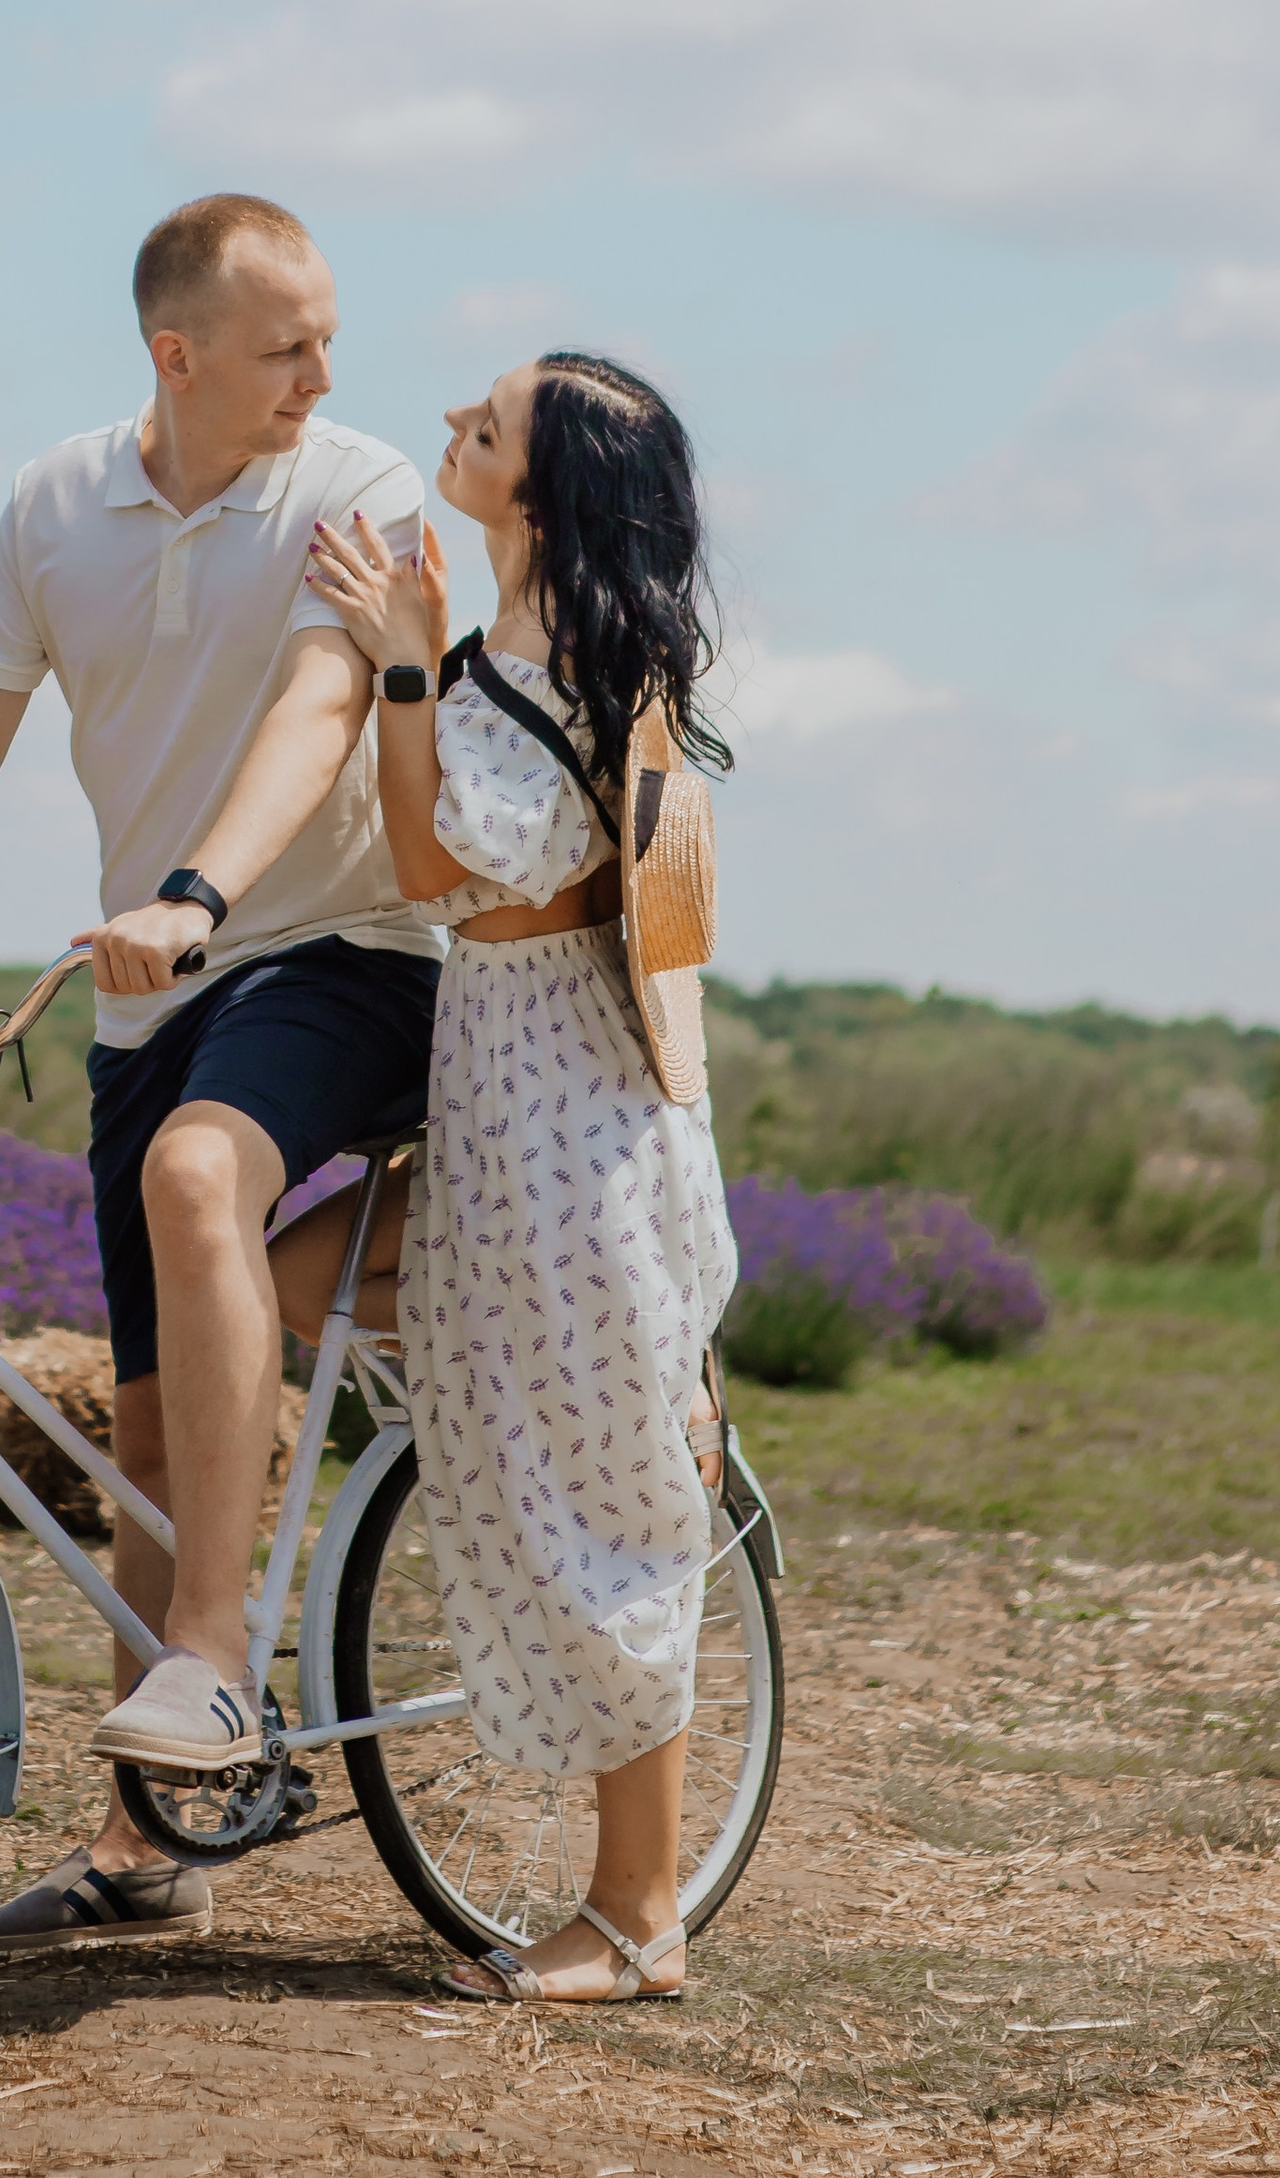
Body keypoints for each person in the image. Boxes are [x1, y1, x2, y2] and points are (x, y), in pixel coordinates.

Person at [0, 192, 442, 1950]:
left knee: (203, 1176)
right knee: (150, 1428)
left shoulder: (363, 490)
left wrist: (195, 892)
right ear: (174, 356)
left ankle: (211, 1661)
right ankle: (143, 1848)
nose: (325, 373)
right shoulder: (55, 504)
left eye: (328, 335)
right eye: (288, 345)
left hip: (342, 954)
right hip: (147, 992)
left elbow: (325, 708)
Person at [292, 349, 736, 2008]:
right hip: (520, 1101)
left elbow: (427, 869)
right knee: (301, 1293)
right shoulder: (537, 650)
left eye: (488, 429)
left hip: (563, 1131)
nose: (455, 435)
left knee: (604, 1519)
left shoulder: (549, 666)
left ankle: (638, 1921)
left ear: (540, 498)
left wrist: (401, 667)